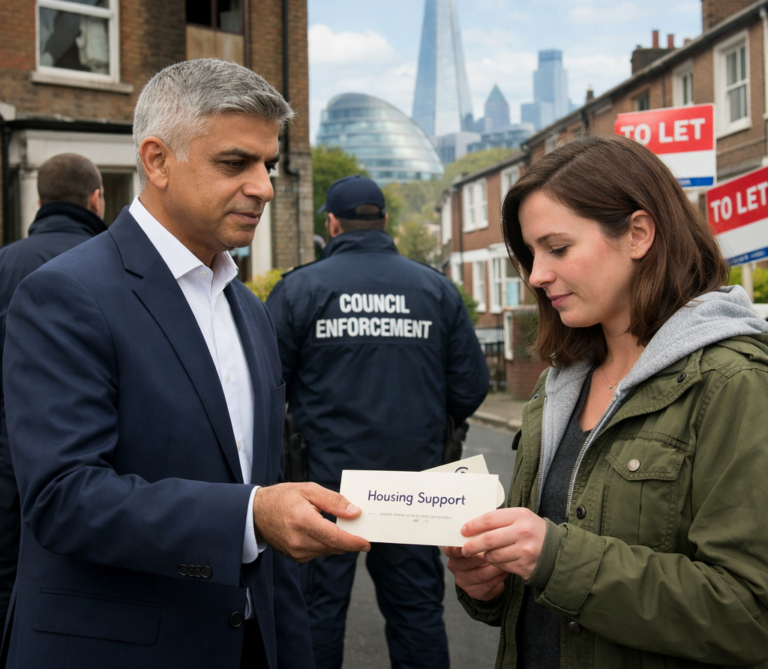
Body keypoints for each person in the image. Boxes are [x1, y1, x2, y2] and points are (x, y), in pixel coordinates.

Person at [2, 59, 369, 669]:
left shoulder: (248, 309)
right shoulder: (64, 293)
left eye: (268, 165)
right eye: (236, 163)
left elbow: (263, 497)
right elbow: (63, 498)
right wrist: (250, 515)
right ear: (156, 160)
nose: (265, 187)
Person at [446, 134, 768, 668]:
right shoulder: (558, 386)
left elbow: (751, 613)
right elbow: (542, 594)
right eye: (530, 254)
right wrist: (494, 585)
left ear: (639, 233)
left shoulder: (733, 382)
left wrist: (553, 556)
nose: (536, 275)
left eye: (558, 247)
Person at [266, 174, 489, 669]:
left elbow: (263, 386)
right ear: (385, 220)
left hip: (325, 489)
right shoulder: (435, 289)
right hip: (412, 490)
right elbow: (471, 387)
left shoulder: (300, 290)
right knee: (415, 614)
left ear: (331, 223)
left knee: (316, 615)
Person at [0, 153, 107, 629]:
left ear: (40, 201)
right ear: (97, 199)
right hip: (91, 462)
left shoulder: (5, 262)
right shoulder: (112, 272)